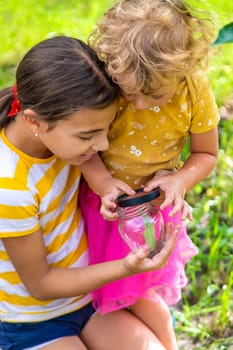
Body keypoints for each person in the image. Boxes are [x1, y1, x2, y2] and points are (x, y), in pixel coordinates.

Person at [0, 35, 181, 350]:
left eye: (105, 130)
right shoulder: (10, 186)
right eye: (88, 136)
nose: (102, 146)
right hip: (30, 322)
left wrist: (154, 181)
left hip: (88, 300)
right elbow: (41, 284)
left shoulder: (66, 142)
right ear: (34, 122)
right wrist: (126, 267)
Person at [79, 1, 220, 349]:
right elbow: (81, 148)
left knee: (142, 291)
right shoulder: (107, 79)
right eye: (130, 93)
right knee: (114, 286)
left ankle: (167, 344)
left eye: (154, 95)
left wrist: (180, 180)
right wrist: (102, 182)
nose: (139, 103)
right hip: (104, 208)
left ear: (185, 67)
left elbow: (206, 154)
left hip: (154, 209)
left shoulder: (192, 90)